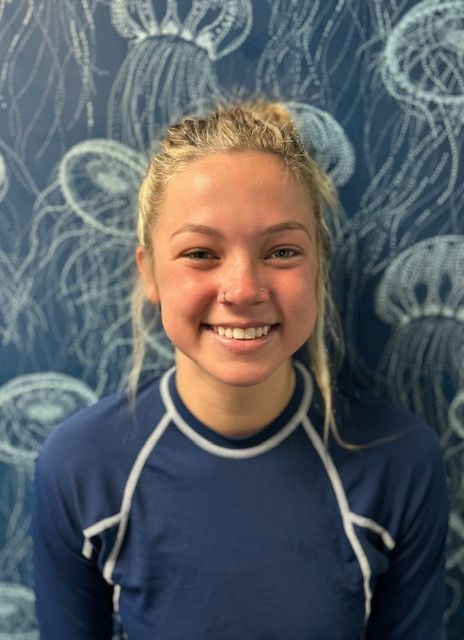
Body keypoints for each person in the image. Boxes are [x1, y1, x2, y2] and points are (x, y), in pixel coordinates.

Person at [32, 102, 448, 639]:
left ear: (318, 263)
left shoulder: (400, 461)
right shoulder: (77, 468)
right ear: (150, 273)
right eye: (201, 253)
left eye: (280, 251)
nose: (244, 289)